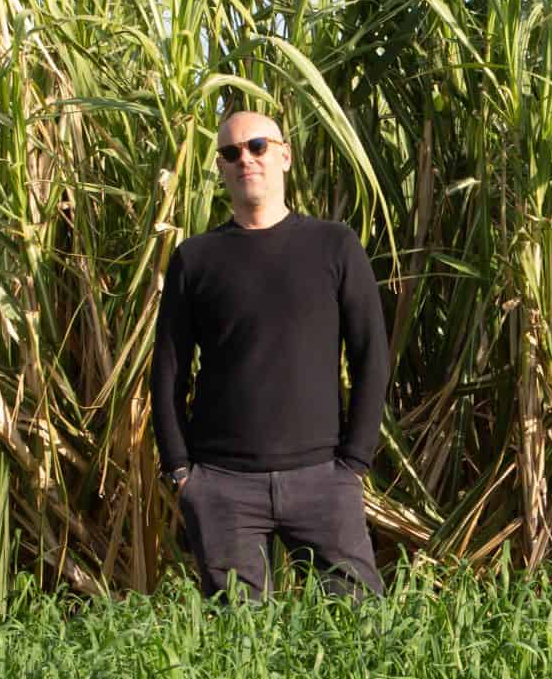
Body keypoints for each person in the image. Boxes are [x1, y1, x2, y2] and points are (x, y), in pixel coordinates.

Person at [151, 107, 391, 599]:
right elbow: (168, 370)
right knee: (237, 649)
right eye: (231, 152)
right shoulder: (194, 259)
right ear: (220, 167)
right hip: (222, 486)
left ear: (284, 156)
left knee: (363, 629)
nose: (246, 159)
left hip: (324, 480)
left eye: (258, 146)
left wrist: (354, 465)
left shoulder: (335, 246)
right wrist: (181, 472)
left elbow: (372, 357)